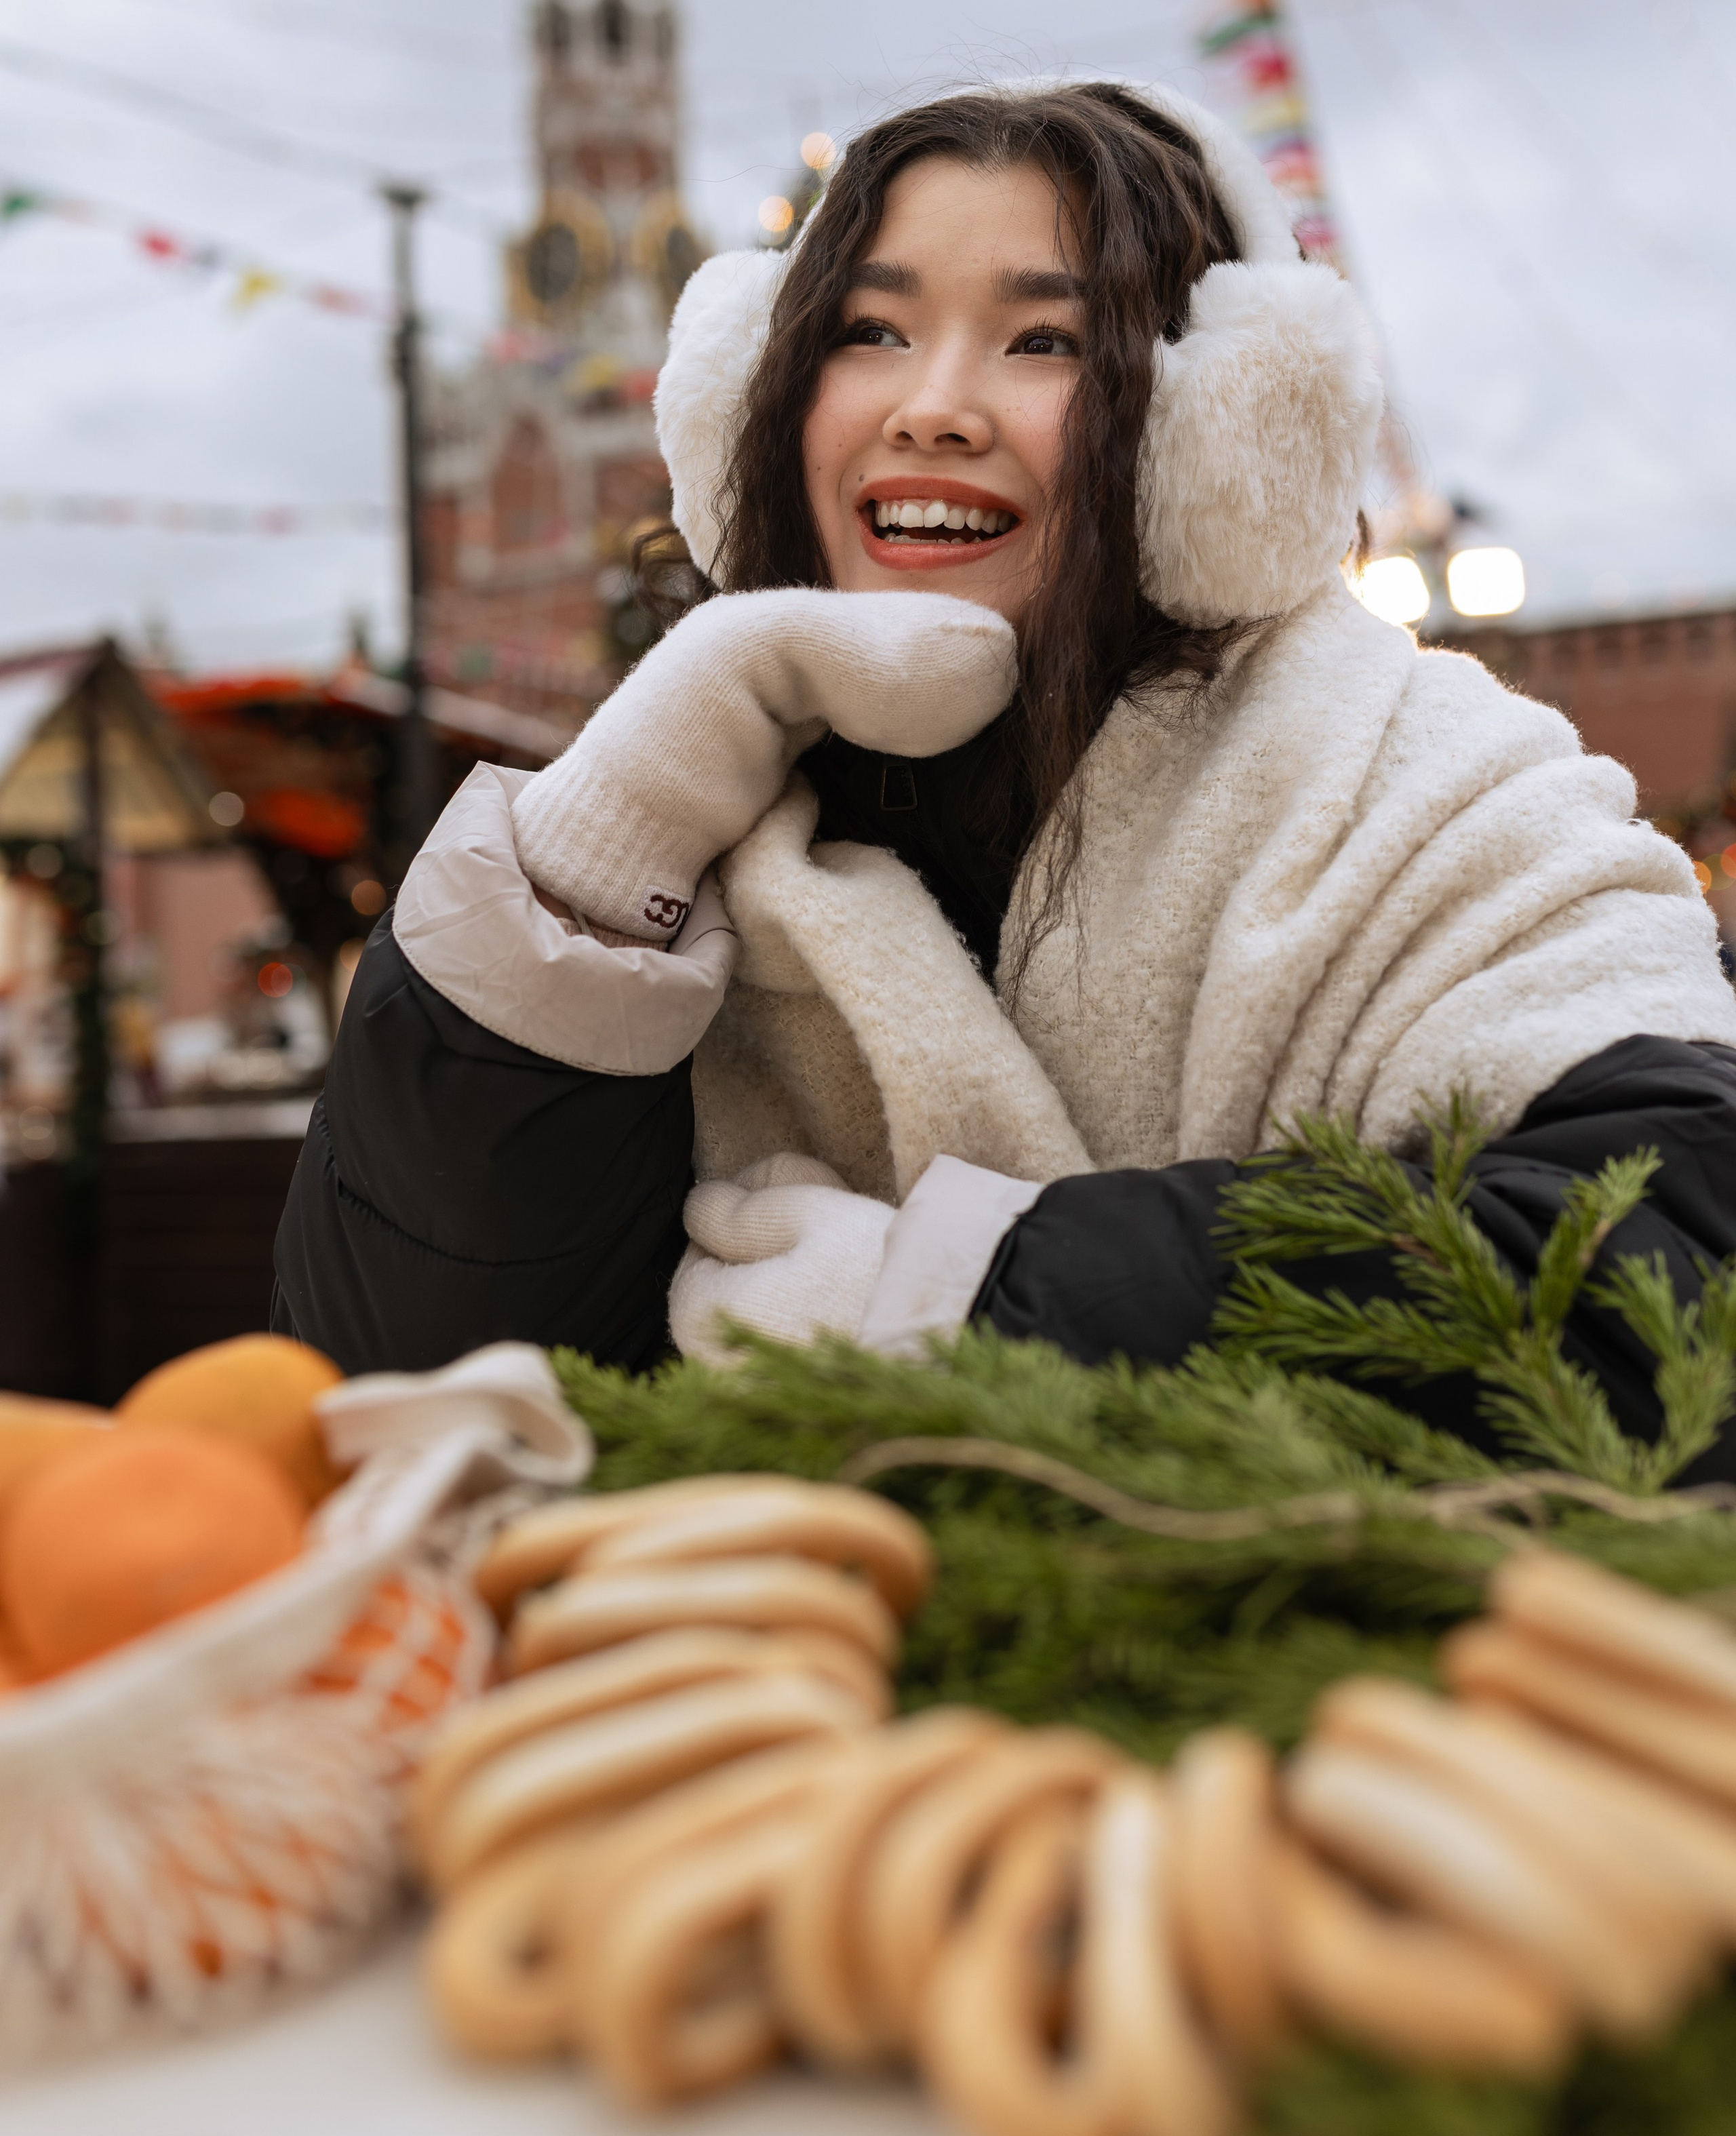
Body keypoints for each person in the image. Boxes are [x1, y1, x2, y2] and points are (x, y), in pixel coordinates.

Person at [272, 80, 1736, 1471]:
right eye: (867, 331)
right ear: (755, 402)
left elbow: (1684, 1264)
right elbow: (396, 1386)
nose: (933, 408)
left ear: (1215, 429)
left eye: (1043, 343)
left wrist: (932, 1314)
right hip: (744, 1709)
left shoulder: (1432, 794)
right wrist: (601, 851)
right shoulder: (683, 846)